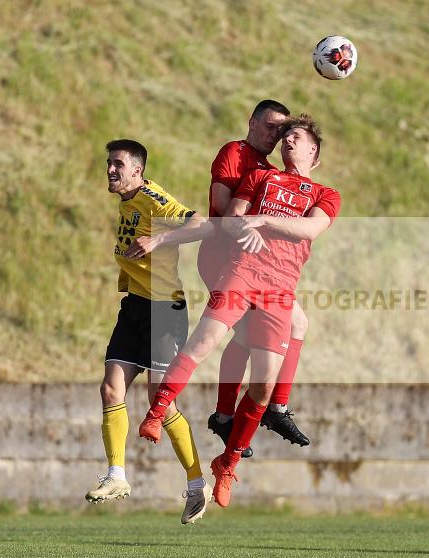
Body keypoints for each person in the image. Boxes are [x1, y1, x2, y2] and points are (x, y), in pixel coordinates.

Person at [138, 115, 341, 508]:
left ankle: (227, 463)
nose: (286, 143)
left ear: (313, 151)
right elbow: (231, 217)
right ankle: (157, 411)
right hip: (243, 272)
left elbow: (311, 230)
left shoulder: (325, 193)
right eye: (284, 138)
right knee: (205, 340)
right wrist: (241, 227)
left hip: (281, 287)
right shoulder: (261, 177)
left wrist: (264, 219)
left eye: (294, 138)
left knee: (263, 384)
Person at [86, 139, 212, 525]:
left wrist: (159, 238)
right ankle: (117, 477)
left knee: (160, 399)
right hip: (136, 306)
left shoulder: (154, 197)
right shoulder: (127, 202)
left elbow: (201, 223)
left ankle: (196, 485)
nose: (110, 169)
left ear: (137, 171)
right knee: (110, 388)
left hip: (165, 309)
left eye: (118, 164)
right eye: (108, 162)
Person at [201, 100, 312, 455]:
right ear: (251, 122)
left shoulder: (268, 170)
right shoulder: (236, 151)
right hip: (223, 254)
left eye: (281, 130)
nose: (274, 134)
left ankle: (263, 409)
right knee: (260, 332)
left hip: (253, 263)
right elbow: (221, 206)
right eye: (269, 125)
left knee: (296, 324)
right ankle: (240, 413)